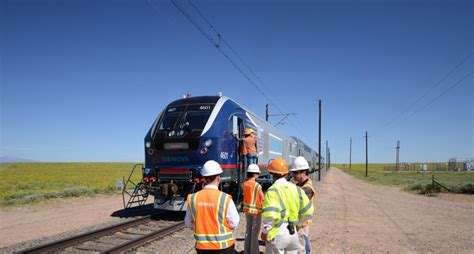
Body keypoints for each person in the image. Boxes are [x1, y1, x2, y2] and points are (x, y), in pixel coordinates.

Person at [185, 160, 240, 253]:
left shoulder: (193, 198)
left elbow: (188, 223)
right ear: (218, 178)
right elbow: (234, 223)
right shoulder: (225, 198)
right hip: (224, 247)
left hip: (202, 248)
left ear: (204, 178)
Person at [261, 158, 314, 254]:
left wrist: (264, 232)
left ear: (272, 175)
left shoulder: (272, 190)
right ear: (286, 173)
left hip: (278, 233)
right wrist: (298, 224)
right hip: (293, 233)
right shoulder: (296, 189)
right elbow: (309, 212)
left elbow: (270, 216)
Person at [290, 157, 316, 254]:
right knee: (303, 242)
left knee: (301, 246)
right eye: (293, 173)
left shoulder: (307, 188)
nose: (293, 176)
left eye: (296, 173)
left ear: (304, 172)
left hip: (303, 222)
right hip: (300, 221)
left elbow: (297, 201)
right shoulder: (301, 185)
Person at [242, 164, 264, 254]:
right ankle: (254, 252)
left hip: (247, 211)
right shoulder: (257, 185)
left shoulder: (244, 184)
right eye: (258, 174)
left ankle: (246, 251)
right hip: (256, 211)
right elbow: (262, 198)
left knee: (248, 231)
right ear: (255, 174)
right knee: (254, 233)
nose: (258, 175)